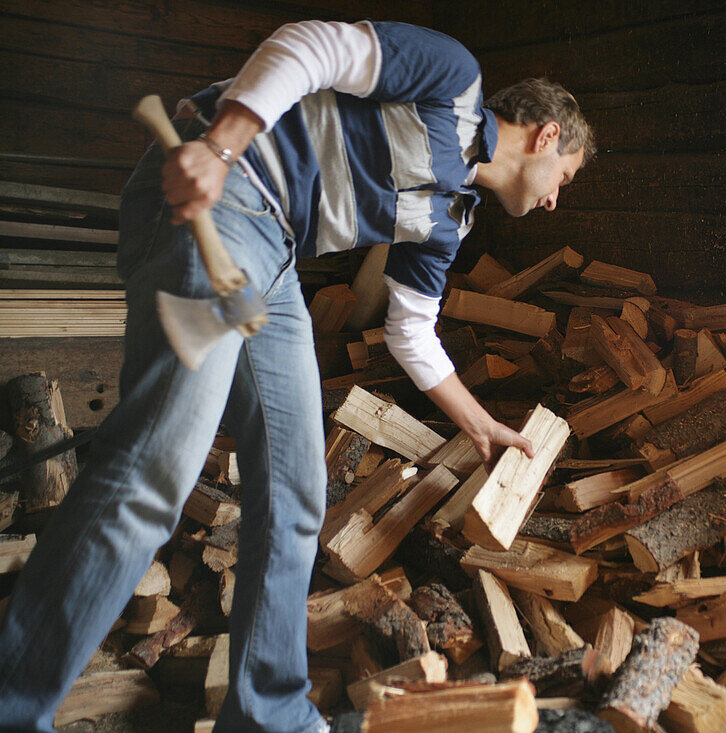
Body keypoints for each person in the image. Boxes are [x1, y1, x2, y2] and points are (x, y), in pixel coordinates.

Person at [0, 19, 591, 732]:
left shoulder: (450, 219)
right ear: (548, 135)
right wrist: (220, 147)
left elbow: (411, 331)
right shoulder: (453, 79)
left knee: (296, 486)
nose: (557, 198)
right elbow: (307, 46)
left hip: (273, 259)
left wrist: (481, 424)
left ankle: (265, 713)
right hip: (224, 197)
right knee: (155, 475)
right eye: (566, 178)